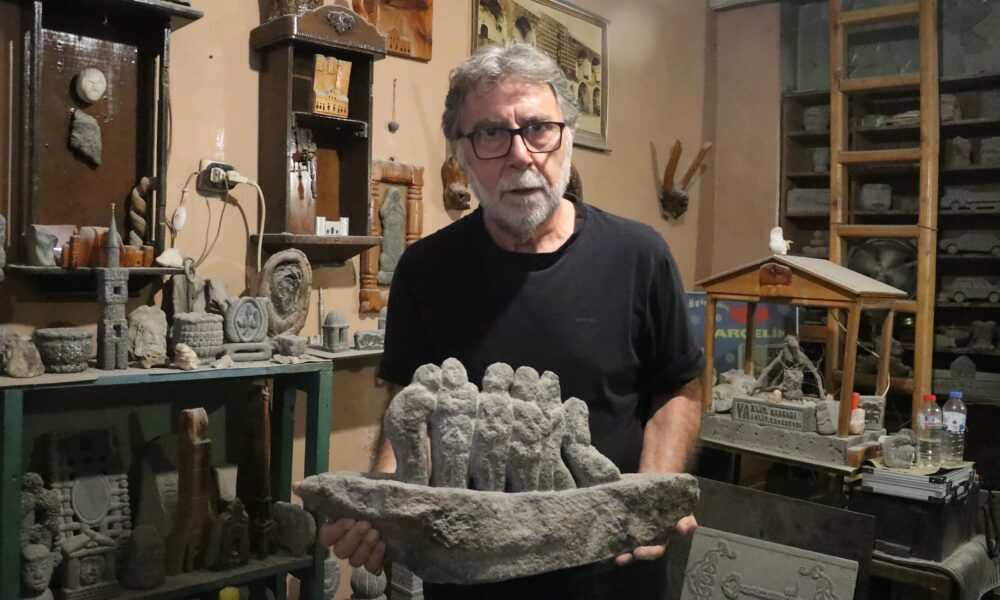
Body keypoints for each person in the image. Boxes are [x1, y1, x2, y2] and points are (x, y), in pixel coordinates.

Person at [320, 43, 705, 600]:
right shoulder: (425, 270)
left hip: (612, 573)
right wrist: (386, 506)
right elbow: (411, 407)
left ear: (567, 137)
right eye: (491, 134)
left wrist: (652, 496)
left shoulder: (640, 256)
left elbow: (678, 387)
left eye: (539, 128)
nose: (522, 155)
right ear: (462, 154)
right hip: (468, 574)